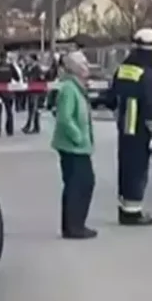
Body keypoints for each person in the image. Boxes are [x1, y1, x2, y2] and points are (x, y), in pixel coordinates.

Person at [110, 27, 152, 226]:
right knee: (138, 169)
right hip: (140, 129)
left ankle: (125, 208)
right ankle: (133, 212)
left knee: (126, 168)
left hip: (124, 127)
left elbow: (111, 96)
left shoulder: (124, 68)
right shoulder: (148, 74)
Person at [51, 50, 96, 239]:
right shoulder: (69, 88)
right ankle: (74, 226)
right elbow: (64, 118)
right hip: (73, 147)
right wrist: (78, 137)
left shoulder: (77, 86)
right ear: (74, 68)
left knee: (79, 184)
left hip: (77, 146)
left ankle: (74, 225)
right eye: (83, 63)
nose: (87, 67)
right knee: (80, 184)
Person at [0, 51, 21, 136]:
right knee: (9, 111)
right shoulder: (10, 67)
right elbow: (17, 78)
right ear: (6, 57)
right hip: (8, 91)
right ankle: (10, 131)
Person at [22, 53, 44, 133]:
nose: (28, 60)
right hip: (30, 90)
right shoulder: (28, 67)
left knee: (35, 109)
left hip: (36, 92)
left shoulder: (37, 68)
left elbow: (39, 79)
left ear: (33, 59)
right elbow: (25, 75)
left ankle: (35, 127)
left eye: (29, 59)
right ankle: (28, 126)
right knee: (31, 109)